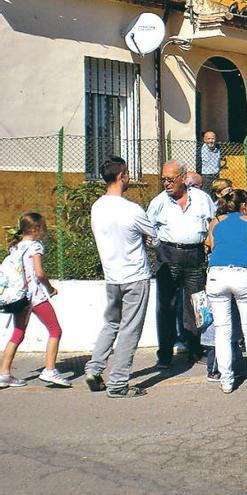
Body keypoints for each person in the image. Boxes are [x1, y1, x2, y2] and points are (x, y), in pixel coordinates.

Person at [82, 157, 156, 398]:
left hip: (112, 276)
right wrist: (145, 239)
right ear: (122, 175)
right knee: (129, 329)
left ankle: (94, 368)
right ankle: (118, 383)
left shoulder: (97, 207)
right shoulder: (132, 210)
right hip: (135, 275)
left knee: (111, 323)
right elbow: (154, 237)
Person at [147, 161, 217, 368]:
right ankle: (165, 355)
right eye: (163, 180)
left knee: (196, 305)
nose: (166, 184)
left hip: (195, 255)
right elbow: (147, 229)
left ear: (183, 177)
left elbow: (213, 223)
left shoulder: (202, 199)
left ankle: (196, 349)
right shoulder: (159, 202)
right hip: (168, 255)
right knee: (166, 306)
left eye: (170, 179)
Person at [0, 213, 71, 389]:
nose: (45, 230)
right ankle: (49, 370)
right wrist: (50, 288)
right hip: (36, 297)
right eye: (43, 227)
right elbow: (39, 273)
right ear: (35, 229)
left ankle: (4, 374)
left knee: (17, 334)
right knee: (55, 330)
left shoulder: (16, 247)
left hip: (20, 297)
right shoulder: (35, 247)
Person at [204, 189, 247, 394]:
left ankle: (226, 380)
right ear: (244, 204)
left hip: (217, 274)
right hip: (242, 274)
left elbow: (210, 245)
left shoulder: (216, 221)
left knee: (222, 330)